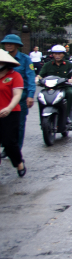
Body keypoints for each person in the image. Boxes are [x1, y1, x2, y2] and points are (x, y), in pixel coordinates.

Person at [1, 34, 35, 150]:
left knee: (18, 125)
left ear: (17, 45)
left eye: (11, 43)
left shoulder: (25, 59)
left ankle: (16, 149)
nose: (8, 45)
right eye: (6, 43)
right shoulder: (2, 58)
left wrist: (30, 95)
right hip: (3, 96)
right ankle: (6, 146)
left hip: (20, 97)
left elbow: (30, 78)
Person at [0, 49, 25, 177]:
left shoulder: (15, 76)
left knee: (9, 142)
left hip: (10, 113)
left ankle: (18, 162)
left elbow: (17, 95)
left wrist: (9, 108)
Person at [38, 45, 72, 125]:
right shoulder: (47, 65)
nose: (57, 55)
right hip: (50, 87)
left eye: (59, 54)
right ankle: (42, 119)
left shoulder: (68, 64)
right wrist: (37, 79)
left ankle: (68, 116)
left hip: (64, 86)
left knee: (70, 94)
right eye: (55, 54)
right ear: (52, 54)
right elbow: (40, 75)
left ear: (63, 54)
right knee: (40, 97)